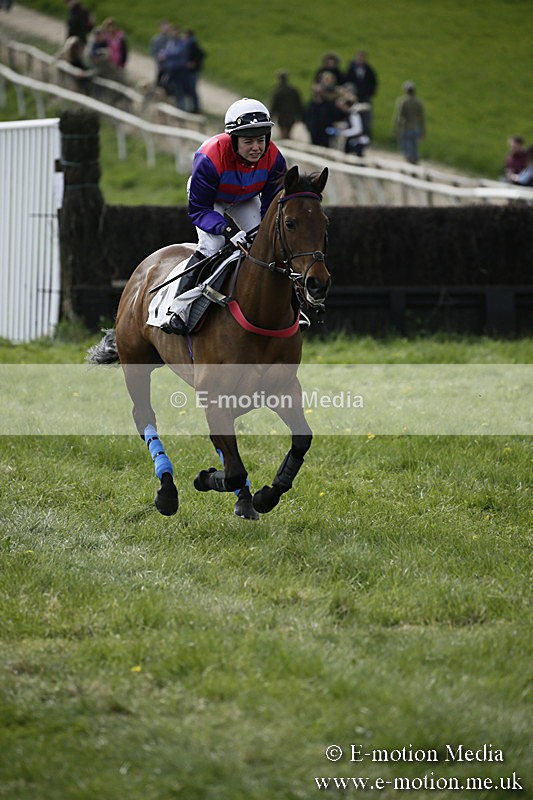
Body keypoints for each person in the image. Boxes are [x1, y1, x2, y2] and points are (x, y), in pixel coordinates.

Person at [163, 98, 287, 334]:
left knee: (267, 244)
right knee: (212, 246)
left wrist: (260, 233)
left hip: (246, 198)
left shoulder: (275, 158)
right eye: (248, 141)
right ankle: (178, 307)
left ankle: (290, 309)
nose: (256, 148)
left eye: (261, 140)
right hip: (211, 201)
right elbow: (200, 210)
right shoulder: (209, 157)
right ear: (233, 140)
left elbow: (270, 205)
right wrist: (228, 230)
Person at [326, 84, 370, 157]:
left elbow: (357, 129)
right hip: (355, 139)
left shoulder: (354, 112)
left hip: (358, 140)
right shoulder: (352, 112)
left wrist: (343, 133)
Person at [344, 50, 378, 137]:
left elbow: (373, 83)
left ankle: (365, 134)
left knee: (366, 116)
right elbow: (347, 81)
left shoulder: (369, 70)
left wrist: (369, 93)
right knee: (352, 115)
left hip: (365, 97)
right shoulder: (351, 69)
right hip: (352, 97)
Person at [392, 80, 425, 164]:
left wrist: (396, 129)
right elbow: (421, 118)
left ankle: (409, 160)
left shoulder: (403, 101)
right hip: (416, 127)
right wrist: (423, 131)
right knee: (414, 145)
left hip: (406, 127)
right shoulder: (418, 102)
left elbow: (399, 117)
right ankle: (415, 159)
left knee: (405, 145)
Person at [158, 25, 188, 110]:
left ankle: (181, 109)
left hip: (179, 71)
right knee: (165, 86)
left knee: (178, 89)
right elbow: (166, 50)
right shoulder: (170, 42)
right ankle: (168, 106)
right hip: (170, 70)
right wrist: (161, 54)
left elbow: (177, 52)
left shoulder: (181, 43)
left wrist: (165, 55)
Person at [270, 70, 304, 139]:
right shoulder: (293, 90)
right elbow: (299, 103)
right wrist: (300, 114)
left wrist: (271, 116)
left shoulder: (277, 91)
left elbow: (274, 105)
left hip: (282, 116)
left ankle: (285, 142)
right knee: (288, 131)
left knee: (284, 132)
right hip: (291, 114)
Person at [183, 29, 205, 114]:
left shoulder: (191, 45)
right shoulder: (189, 44)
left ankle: (195, 108)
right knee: (190, 90)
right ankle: (193, 108)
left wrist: (193, 63)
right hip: (190, 71)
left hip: (192, 72)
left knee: (191, 90)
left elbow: (201, 54)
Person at [149, 20, 171, 88]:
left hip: (170, 65)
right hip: (161, 64)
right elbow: (152, 51)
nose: (165, 29)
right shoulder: (156, 39)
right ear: (160, 28)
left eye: (167, 28)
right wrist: (158, 57)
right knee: (159, 81)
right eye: (164, 27)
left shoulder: (171, 39)